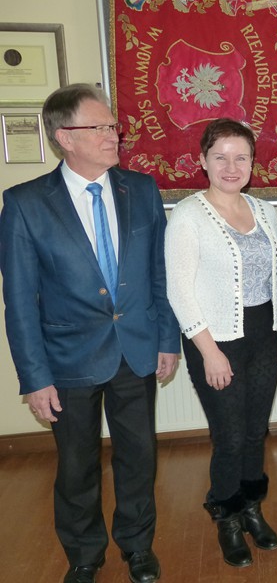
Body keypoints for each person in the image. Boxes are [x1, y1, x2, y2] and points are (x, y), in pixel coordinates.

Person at [0, 83, 180, 583]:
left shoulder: (140, 189)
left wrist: (167, 339)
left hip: (136, 350)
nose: (113, 135)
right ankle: (84, 555)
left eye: (113, 125)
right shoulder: (25, 204)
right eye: (100, 127)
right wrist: (35, 378)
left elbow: (159, 274)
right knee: (77, 466)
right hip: (68, 360)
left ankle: (137, 546)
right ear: (65, 137)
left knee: (138, 457)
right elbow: (20, 302)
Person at [165, 118, 277, 568]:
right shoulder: (188, 216)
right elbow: (179, 291)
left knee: (257, 431)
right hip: (215, 338)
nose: (231, 166)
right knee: (230, 436)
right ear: (203, 161)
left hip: (264, 334)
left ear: (253, 163)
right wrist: (210, 353)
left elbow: (276, 274)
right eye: (220, 157)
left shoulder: (264, 210)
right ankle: (227, 517)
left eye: (241, 157)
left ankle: (252, 507)